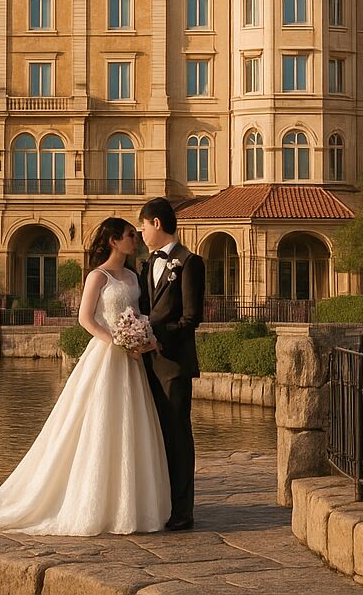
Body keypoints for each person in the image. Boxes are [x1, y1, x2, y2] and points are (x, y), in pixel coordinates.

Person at [0, 217, 171, 536]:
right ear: (114, 240)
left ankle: (128, 504)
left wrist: (142, 337)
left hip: (131, 360)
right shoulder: (98, 276)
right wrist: (117, 340)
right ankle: (89, 501)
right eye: (129, 235)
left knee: (130, 425)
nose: (135, 239)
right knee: (96, 425)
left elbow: (137, 314)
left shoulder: (131, 276)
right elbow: (85, 319)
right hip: (106, 356)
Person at [137, 196, 205, 532]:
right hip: (146, 364)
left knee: (178, 437)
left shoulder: (190, 262)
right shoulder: (147, 264)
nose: (142, 232)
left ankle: (183, 510)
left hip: (174, 365)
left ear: (157, 224)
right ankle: (159, 503)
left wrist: (157, 337)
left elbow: (192, 318)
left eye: (144, 226)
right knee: (154, 437)